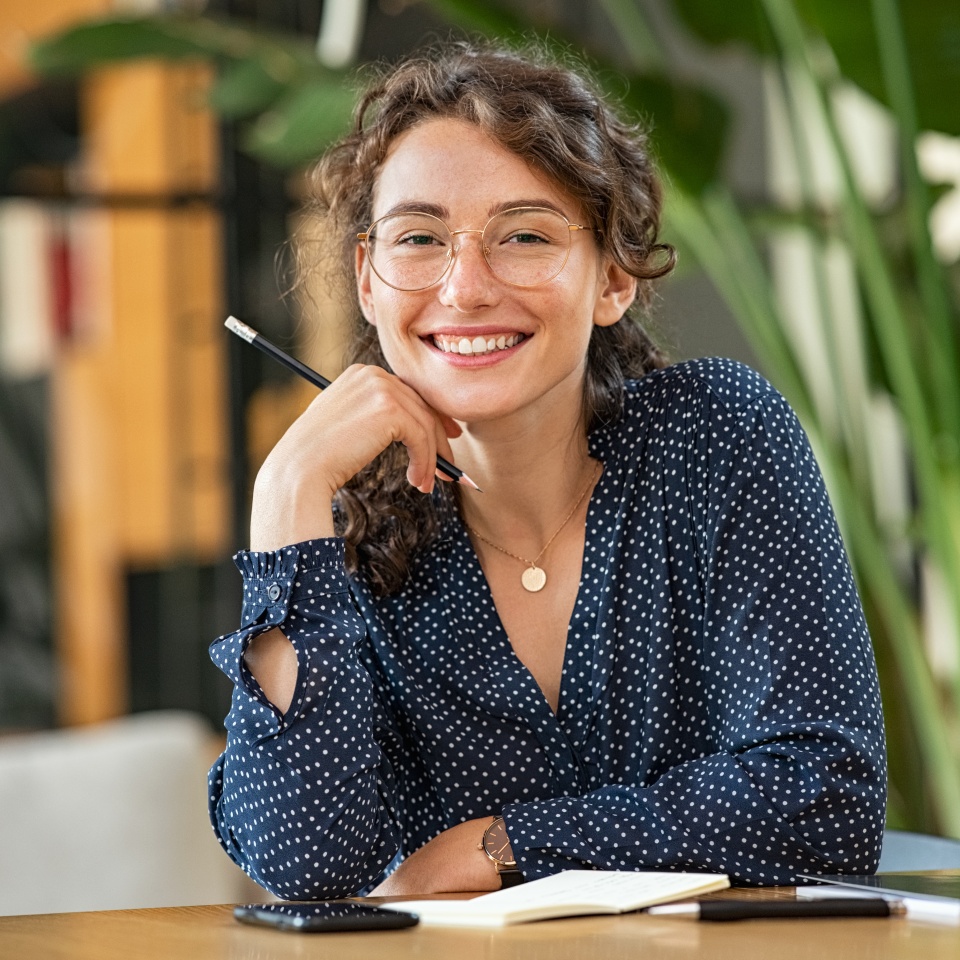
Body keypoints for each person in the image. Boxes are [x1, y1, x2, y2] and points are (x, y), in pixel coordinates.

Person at [207, 40, 886, 899]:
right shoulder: (329, 541)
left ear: (612, 278)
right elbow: (306, 865)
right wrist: (285, 493)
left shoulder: (714, 438)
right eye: (419, 238)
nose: (465, 288)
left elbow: (826, 799)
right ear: (369, 281)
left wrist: (501, 844)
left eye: (524, 235)